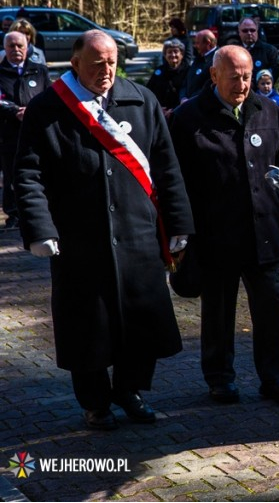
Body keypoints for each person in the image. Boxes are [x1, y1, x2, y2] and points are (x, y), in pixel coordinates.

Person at [15, 30, 193, 430]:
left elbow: (166, 166)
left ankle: (130, 390)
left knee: (140, 320)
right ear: (75, 63)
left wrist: (179, 224)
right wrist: (40, 228)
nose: (106, 70)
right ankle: (95, 402)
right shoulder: (49, 108)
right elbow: (28, 174)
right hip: (79, 239)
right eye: (97, 64)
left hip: (138, 234)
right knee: (87, 326)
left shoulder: (140, 100)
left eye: (111, 62)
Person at [170, 46, 279, 406]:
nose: (242, 84)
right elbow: (176, 180)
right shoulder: (188, 117)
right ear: (213, 76)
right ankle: (220, 378)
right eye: (233, 77)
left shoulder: (267, 108)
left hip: (263, 232)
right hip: (216, 233)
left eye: (247, 76)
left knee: (271, 307)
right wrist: (183, 234)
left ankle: (275, 376)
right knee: (219, 310)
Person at [1, 31, 50, 229]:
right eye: (11, 46)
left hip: (36, 132)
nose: (16, 50)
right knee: (12, 175)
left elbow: (49, 96)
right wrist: (15, 111)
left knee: (40, 172)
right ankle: (13, 215)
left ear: (27, 46)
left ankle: (40, 214)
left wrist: (33, 112)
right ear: (4, 48)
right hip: (8, 134)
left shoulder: (39, 71)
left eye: (19, 45)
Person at [146, 38, 189, 117]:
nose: (173, 55)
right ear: (165, 55)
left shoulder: (188, 71)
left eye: (176, 52)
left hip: (181, 113)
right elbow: (149, 92)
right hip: (160, 113)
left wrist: (174, 110)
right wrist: (159, 109)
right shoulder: (159, 71)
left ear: (182, 54)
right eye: (169, 52)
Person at [238, 17, 279, 83]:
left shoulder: (270, 50)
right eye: (245, 31)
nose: (249, 33)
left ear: (257, 31)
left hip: (261, 91)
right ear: (239, 32)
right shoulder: (234, 51)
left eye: (252, 30)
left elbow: (274, 73)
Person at [182, 29, 218, 100]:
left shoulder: (217, 60)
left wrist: (190, 101)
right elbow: (186, 82)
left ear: (208, 43)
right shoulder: (198, 58)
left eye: (198, 43)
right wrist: (183, 97)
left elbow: (210, 86)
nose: (195, 46)